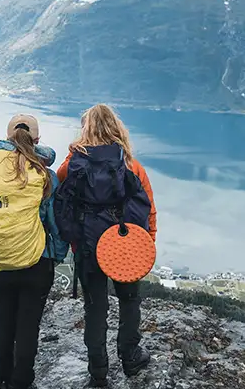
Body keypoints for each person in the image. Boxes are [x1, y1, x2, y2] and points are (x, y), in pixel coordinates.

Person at [53, 104, 158, 388]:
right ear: (118, 128)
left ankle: (98, 372)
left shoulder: (73, 164)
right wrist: (146, 245)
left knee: (95, 308)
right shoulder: (130, 165)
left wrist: (76, 152)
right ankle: (130, 355)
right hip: (125, 245)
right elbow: (147, 209)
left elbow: (63, 191)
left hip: (88, 246)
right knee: (129, 300)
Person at [0, 114, 68, 389]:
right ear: (37, 139)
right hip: (36, 262)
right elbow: (55, 222)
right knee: (28, 326)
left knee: (4, 322)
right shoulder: (44, 174)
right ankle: (22, 381)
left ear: (7, 137)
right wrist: (56, 255)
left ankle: (1, 376)